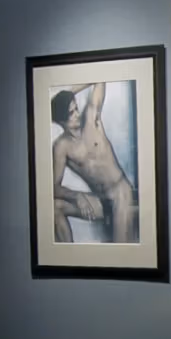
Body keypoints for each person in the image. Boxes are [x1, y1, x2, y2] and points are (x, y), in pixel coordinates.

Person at [51, 83, 137, 243]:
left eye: (76, 108)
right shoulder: (61, 147)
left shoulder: (91, 118)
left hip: (120, 194)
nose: (77, 114)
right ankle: (69, 260)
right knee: (54, 208)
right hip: (99, 200)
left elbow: (99, 80)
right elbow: (54, 188)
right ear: (61, 120)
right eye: (71, 113)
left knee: (122, 254)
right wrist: (77, 196)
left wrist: (66, 95)